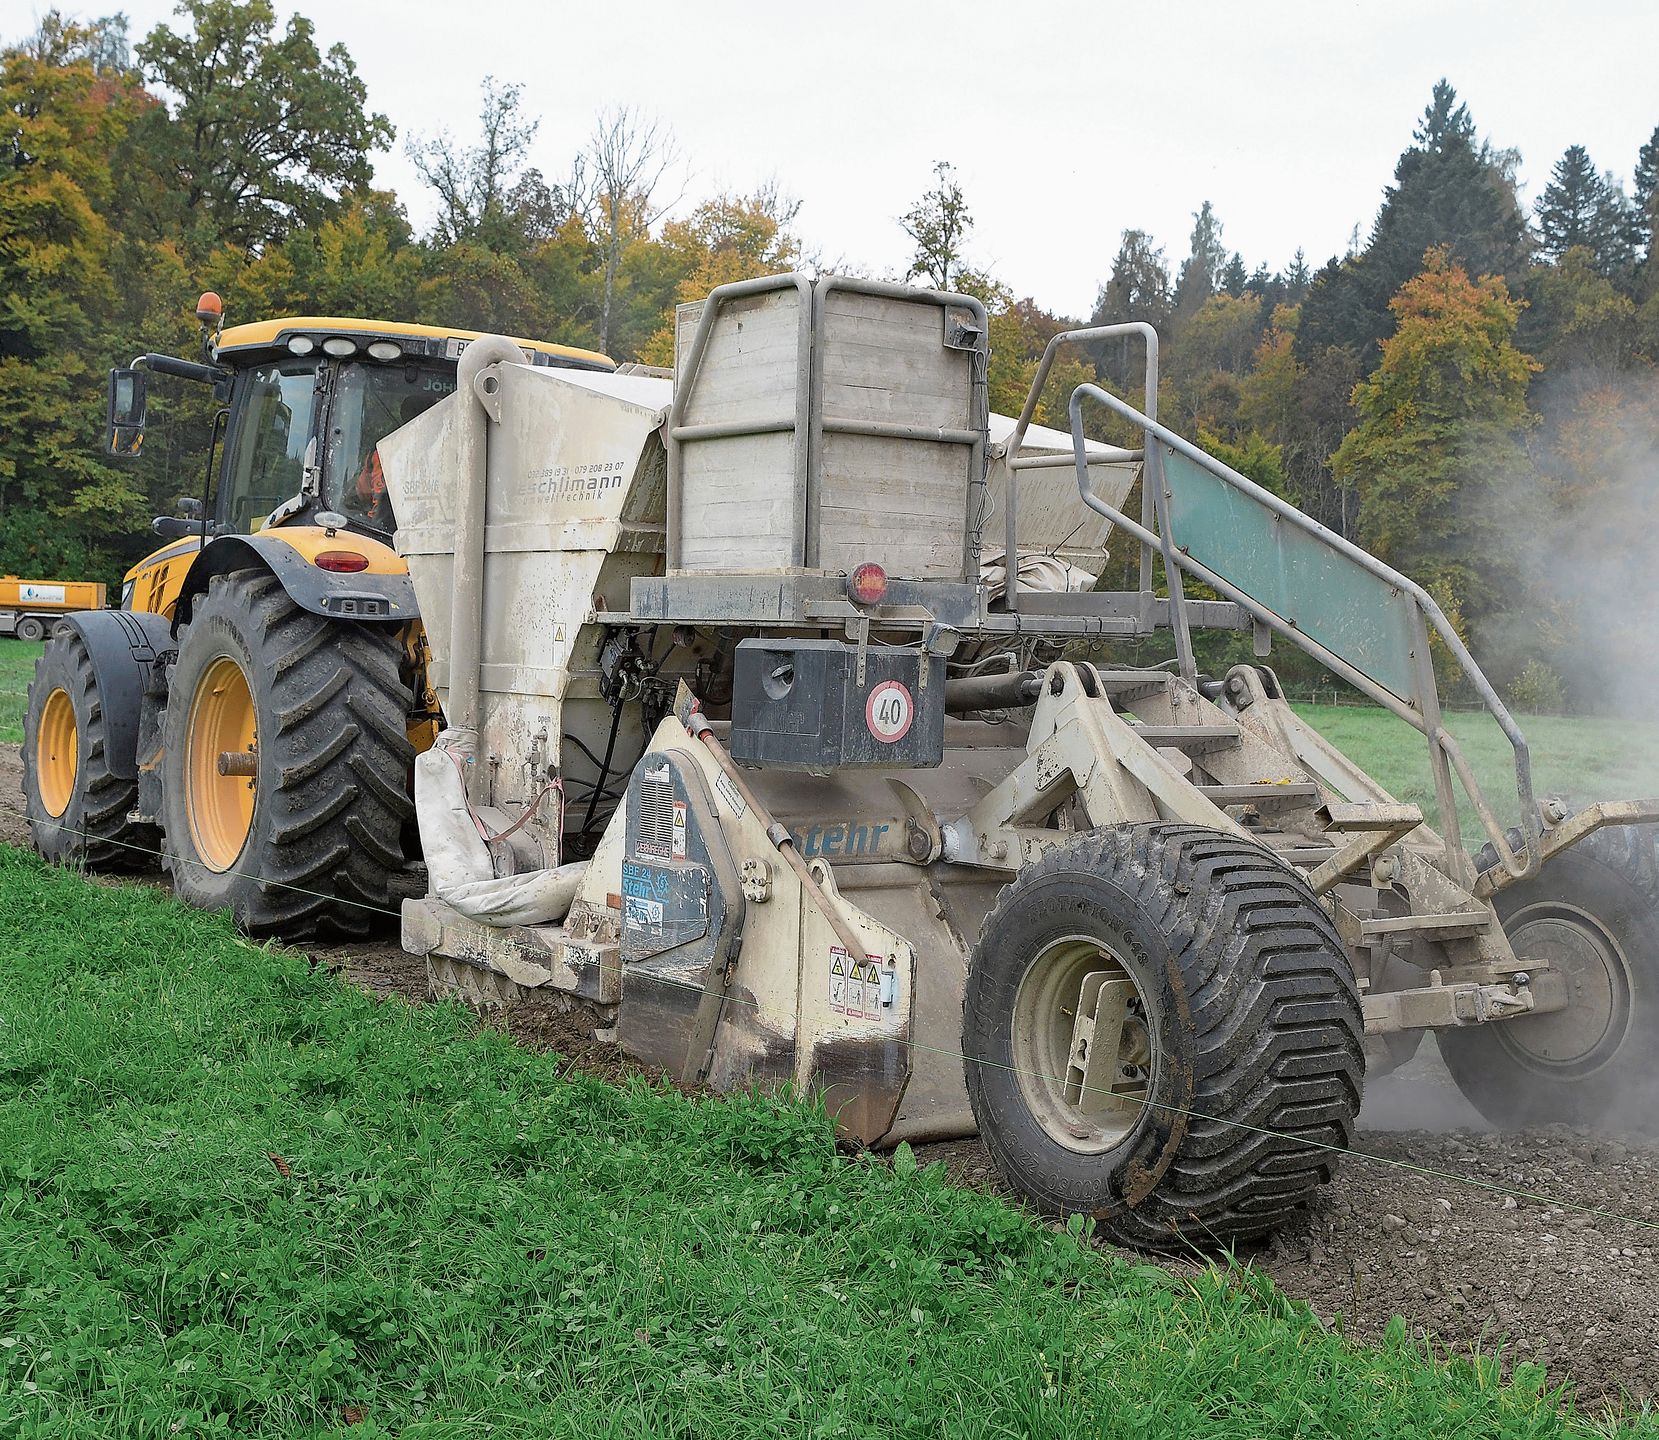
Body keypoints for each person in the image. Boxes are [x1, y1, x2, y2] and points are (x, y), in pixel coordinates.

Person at [354, 393, 439, 524]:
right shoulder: (443, 449)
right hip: (428, 526)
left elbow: (362, 491)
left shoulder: (382, 451)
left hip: (381, 528)